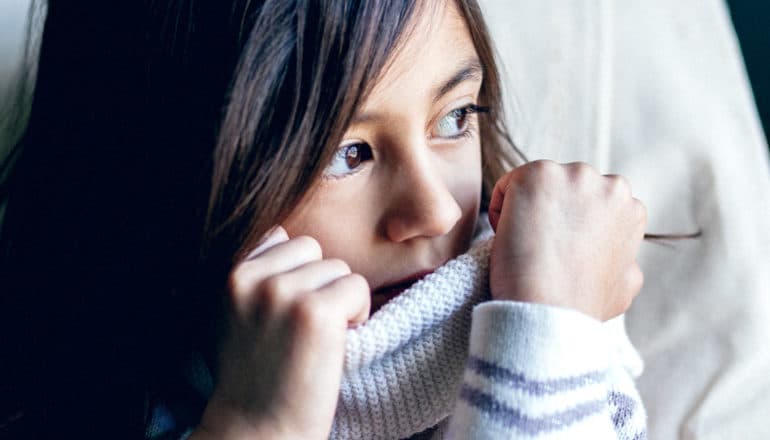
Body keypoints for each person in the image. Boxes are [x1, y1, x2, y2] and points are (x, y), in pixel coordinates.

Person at [0, 1, 652, 439]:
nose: (435, 211)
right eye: (347, 154)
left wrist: (551, 323)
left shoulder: (566, 328)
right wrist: (259, 422)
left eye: (454, 118)